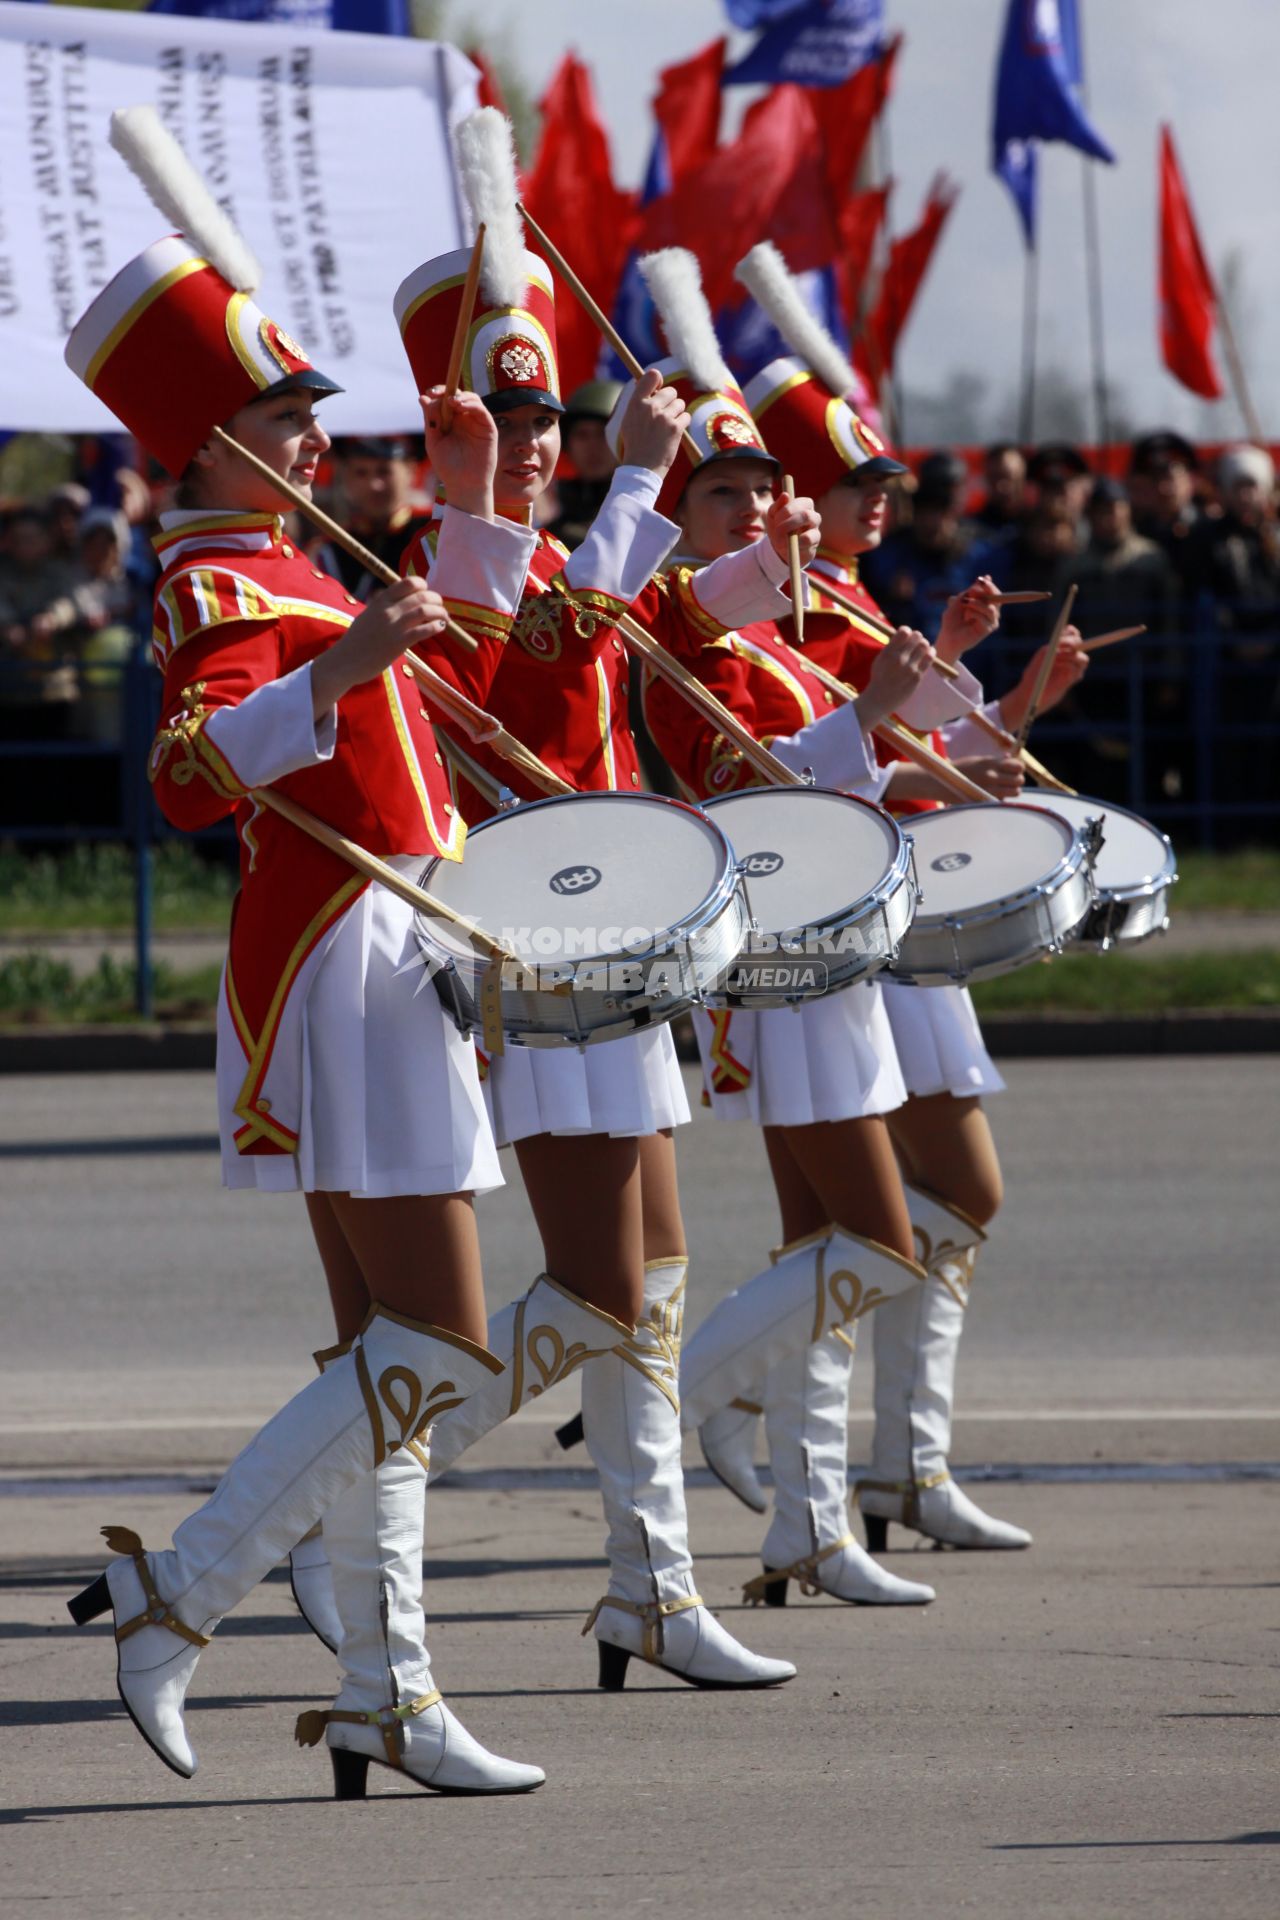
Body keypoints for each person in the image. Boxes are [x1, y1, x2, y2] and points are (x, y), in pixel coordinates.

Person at [61, 117, 546, 1799]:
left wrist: (474, 512)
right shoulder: (212, 582)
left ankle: (386, 1691)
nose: (316, 439)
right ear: (207, 441)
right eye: (282, 415)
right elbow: (190, 779)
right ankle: (181, 1594)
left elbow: (467, 693)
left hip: (401, 941)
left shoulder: (298, 562)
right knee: (442, 1350)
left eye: (313, 415)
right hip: (342, 954)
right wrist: (335, 668)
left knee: (383, 1366)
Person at [285, 182, 802, 1693]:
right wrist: (638, 497)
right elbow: (536, 683)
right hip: (541, 950)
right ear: (455, 440)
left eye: (547, 432)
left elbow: (641, 634)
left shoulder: (549, 543)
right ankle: (324, 1493)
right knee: (588, 1287)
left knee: (648, 1283)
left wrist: (738, 532)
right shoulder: (444, 566)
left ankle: (650, 1583)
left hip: (622, 941)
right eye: (507, 434)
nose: (534, 453)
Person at [664, 244, 1085, 1562]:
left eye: (772, 489)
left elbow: (890, 757)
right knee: (876, 1234)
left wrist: (992, 704)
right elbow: (768, 778)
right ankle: (726, 1399)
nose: (778, 511)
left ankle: (832, 1504)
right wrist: (903, 708)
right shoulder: (699, 626)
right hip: (800, 948)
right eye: (751, 489)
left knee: (855, 1239)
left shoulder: (790, 615)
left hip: (862, 930)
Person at [312, 435, 433, 600]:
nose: (374, 485)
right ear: (346, 477)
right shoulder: (332, 549)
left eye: (384, 471)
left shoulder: (434, 534)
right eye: (361, 473)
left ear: (410, 471)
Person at [547, 378, 623, 550]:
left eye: (603, 433)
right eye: (582, 435)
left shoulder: (647, 521)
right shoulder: (551, 535)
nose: (592, 446)